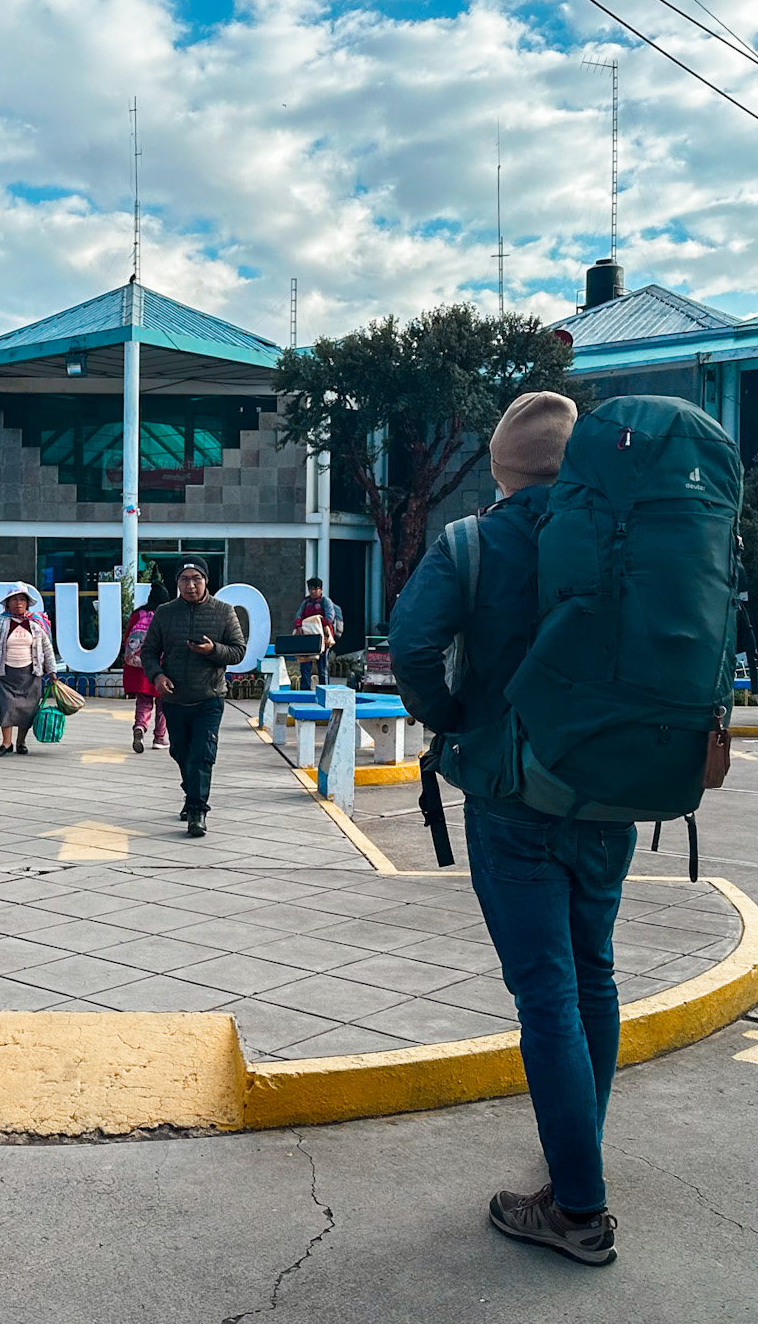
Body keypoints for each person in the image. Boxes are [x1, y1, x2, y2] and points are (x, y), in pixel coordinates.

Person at [387, 391, 630, 1268]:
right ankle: (578, 1156)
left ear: (500, 468)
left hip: (510, 796)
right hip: (609, 796)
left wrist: (457, 719)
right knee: (593, 977)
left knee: (546, 995)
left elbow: (411, 645)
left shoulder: (475, 541)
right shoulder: (622, 537)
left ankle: (576, 1207)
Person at [140, 556, 246, 836]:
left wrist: (213, 650)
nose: (191, 585)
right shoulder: (165, 613)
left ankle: (197, 810)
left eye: (196, 579)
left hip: (209, 698)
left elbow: (238, 651)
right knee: (181, 753)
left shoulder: (224, 611)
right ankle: (191, 794)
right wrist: (158, 676)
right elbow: (148, 651)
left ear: (206, 581)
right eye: (185, 579)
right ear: (177, 583)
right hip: (174, 699)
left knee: (202, 755)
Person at [0, 586, 58, 755]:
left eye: (22, 599)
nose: (18, 603)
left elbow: (47, 649)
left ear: (28, 603)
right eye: (14, 599)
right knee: (7, 707)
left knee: (28, 709)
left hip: (31, 673)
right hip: (6, 672)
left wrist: (52, 671)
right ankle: (6, 743)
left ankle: (21, 742)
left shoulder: (36, 624)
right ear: (7, 603)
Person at [121, 581, 172, 754]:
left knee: (143, 702)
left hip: (139, 667)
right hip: (162, 666)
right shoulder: (166, 615)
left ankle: (140, 727)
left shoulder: (138, 614)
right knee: (163, 703)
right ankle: (159, 737)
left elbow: (127, 639)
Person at [294, 577, 344, 689]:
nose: (313, 591)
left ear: (320, 589)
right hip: (308, 640)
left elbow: (330, 618)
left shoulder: (326, 602)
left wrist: (315, 623)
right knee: (305, 667)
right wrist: (299, 626)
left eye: (315, 589)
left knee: (323, 668)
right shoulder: (306, 603)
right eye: (311, 589)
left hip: (323, 640)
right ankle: (305, 692)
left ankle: (325, 692)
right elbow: (298, 616)